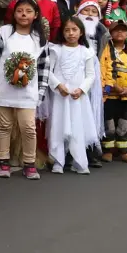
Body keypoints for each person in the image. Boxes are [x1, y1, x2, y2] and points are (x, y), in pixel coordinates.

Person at [0, 0, 50, 181]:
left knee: (28, 127)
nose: (24, 14)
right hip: (4, 90)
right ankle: (3, 162)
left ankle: (29, 163)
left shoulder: (39, 38)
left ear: (35, 15)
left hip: (28, 92)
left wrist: (40, 91)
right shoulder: (4, 33)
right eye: (20, 10)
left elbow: (43, 67)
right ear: (14, 14)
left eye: (28, 11)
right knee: (4, 126)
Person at [46, 18, 99, 174]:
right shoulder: (56, 49)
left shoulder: (86, 52)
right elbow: (47, 71)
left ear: (81, 32)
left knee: (77, 125)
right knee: (58, 124)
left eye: (74, 30)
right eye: (67, 30)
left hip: (77, 97)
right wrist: (58, 85)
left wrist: (81, 89)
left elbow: (90, 75)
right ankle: (58, 161)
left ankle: (79, 161)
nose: (71, 33)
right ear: (62, 32)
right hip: (60, 95)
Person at [100, 8, 127, 164]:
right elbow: (104, 68)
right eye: (116, 30)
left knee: (124, 125)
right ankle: (108, 151)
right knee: (109, 125)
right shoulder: (106, 50)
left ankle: (124, 152)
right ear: (110, 33)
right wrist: (114, 87)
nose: (119, 33)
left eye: (123, 31)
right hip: (110, 94)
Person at [77, 0, 109, 168]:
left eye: (93, 11)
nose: (89, 14)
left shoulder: (102, 32)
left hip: (94, 75)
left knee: (92, 113)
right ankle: (71, 152)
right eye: (86, 10)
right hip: (74, 73)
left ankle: (91, 151)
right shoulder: (72, 29)